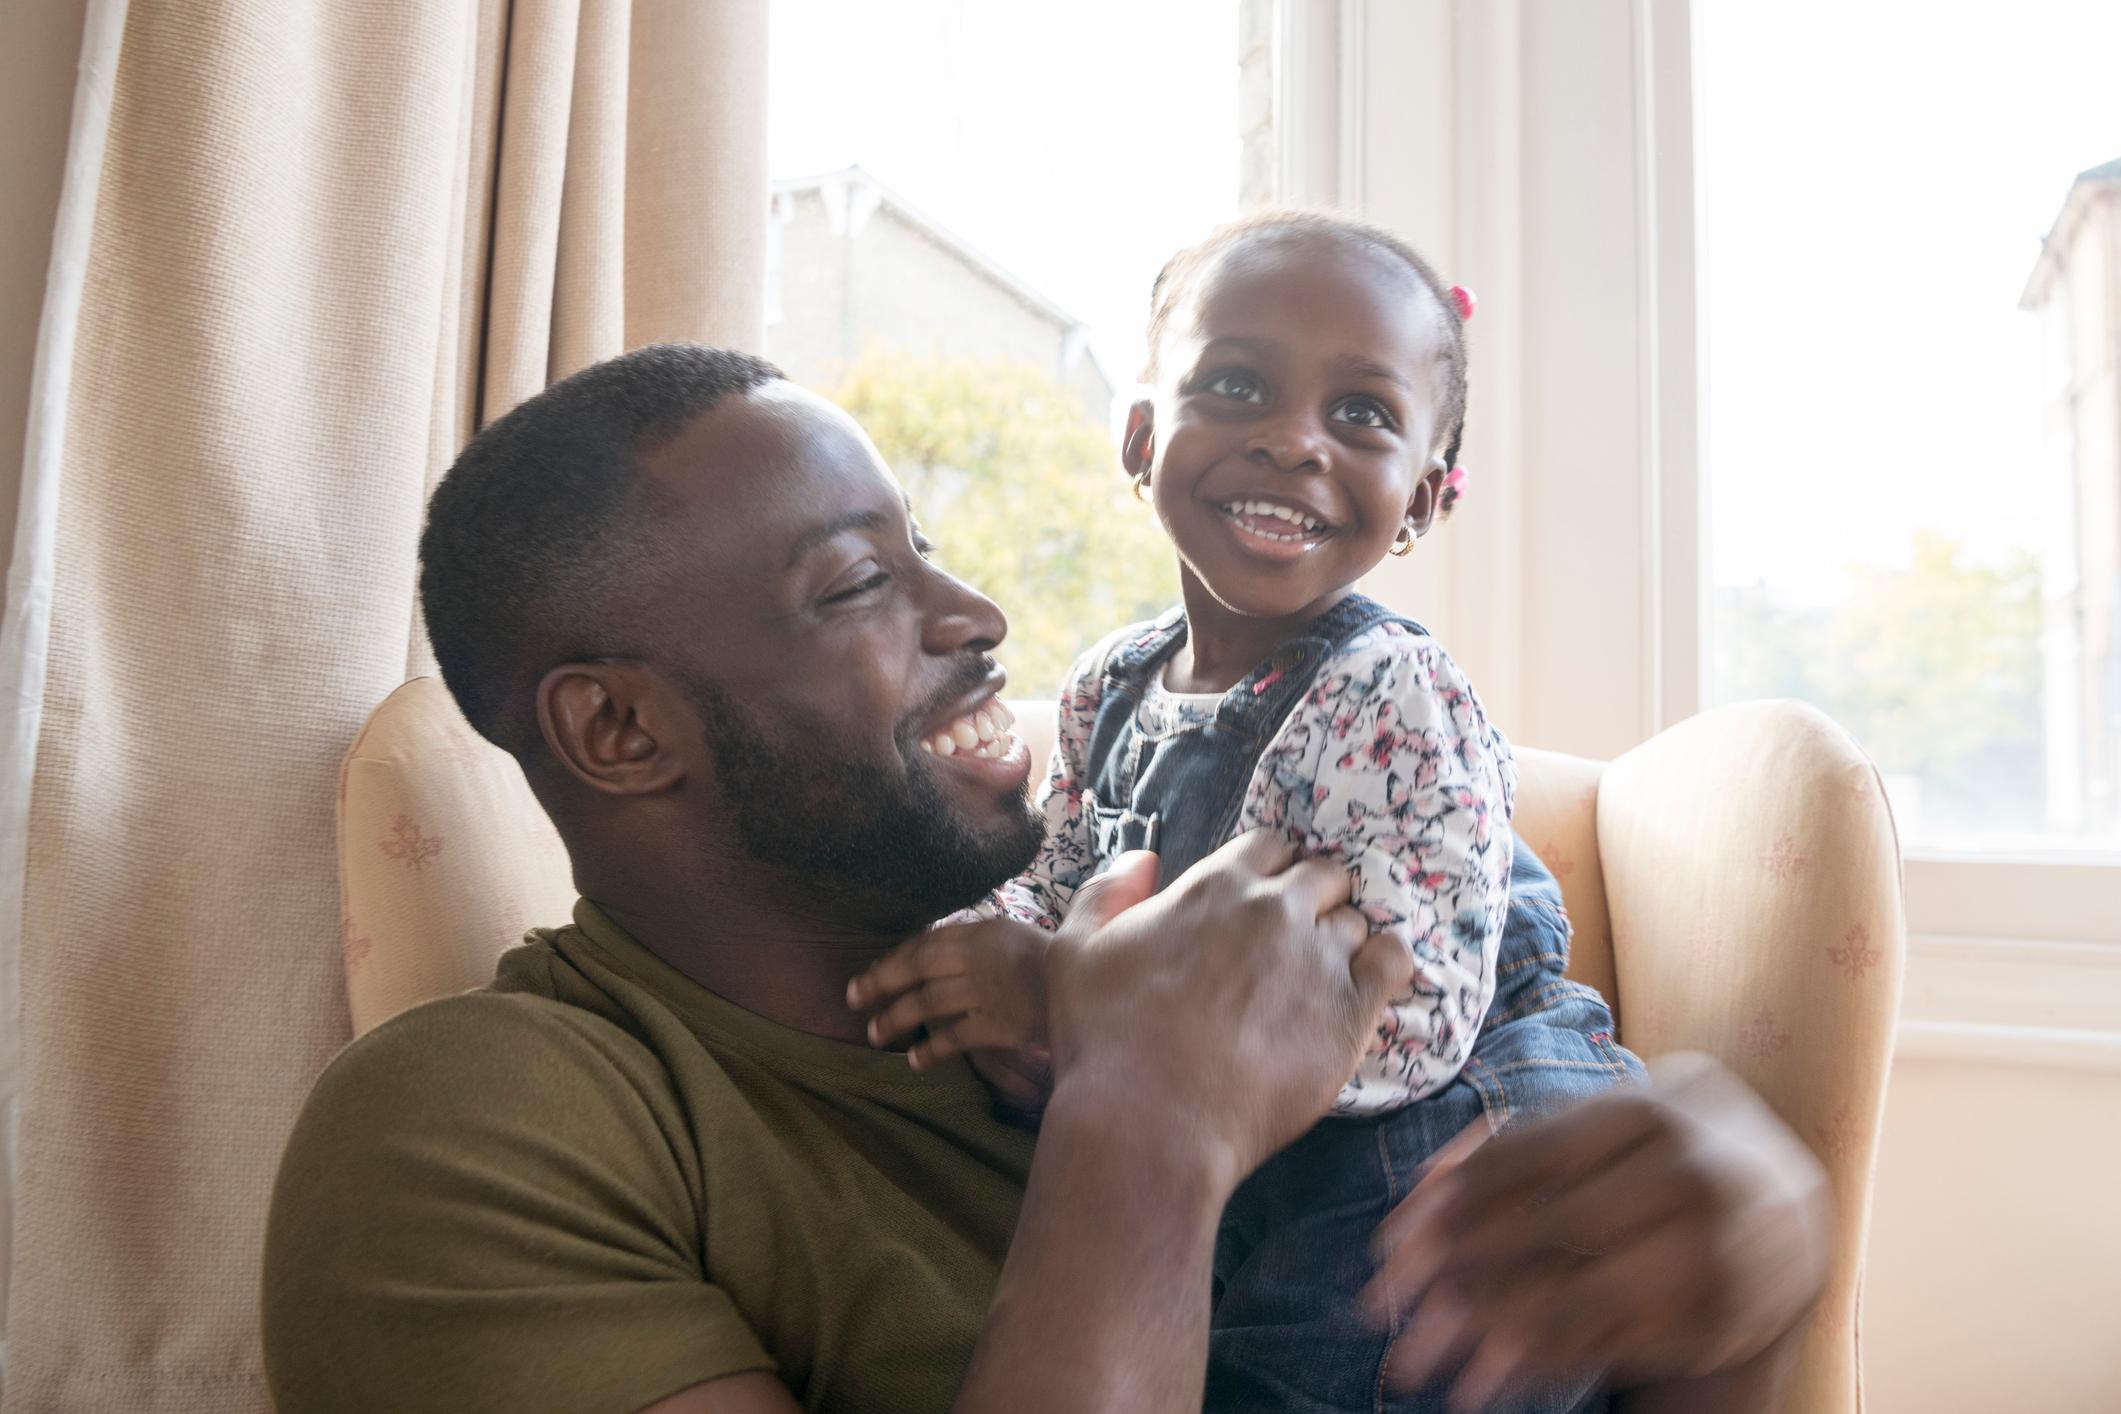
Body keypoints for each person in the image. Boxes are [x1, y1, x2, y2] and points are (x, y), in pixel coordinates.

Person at [262, 343, 1830, 1414]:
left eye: (928, 547)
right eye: (862, 583)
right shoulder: (472, 1134)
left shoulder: (1153, 916)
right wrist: (1150, 1125)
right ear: (617, 726)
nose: (980, 612)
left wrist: (1738, 1257)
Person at [849, 212, 1641, 1411]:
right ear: (1138, 436)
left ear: (1422, 501)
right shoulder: (1112, 683)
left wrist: (1070, 998)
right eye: (1235, 385)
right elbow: (1062, 858)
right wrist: (993, 942)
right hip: (1243, 1144)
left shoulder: (1398, 693)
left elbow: (1413, 1013)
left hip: (1436, 1132)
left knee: (1349, 1366)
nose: (1292, 441)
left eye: (1362, 414)